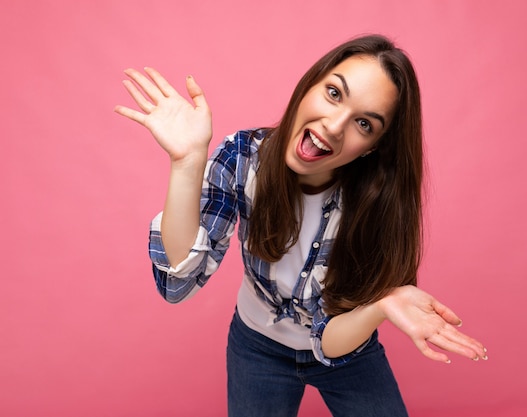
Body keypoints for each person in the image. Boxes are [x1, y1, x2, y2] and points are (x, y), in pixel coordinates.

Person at [115, 34, 487, 417]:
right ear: (311, 82)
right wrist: (187, 162)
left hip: (348, 351)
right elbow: (178, 284)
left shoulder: (376, 208)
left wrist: (382, 305)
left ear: (374, 146)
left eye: (364, 123)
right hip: (255, 345)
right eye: (333, 93)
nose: (335, 124)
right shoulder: (243, 158)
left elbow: (328, 341)